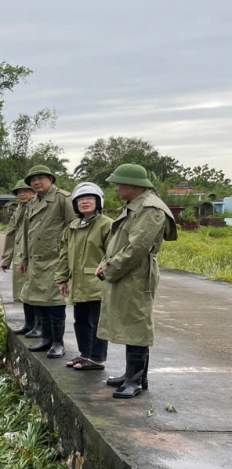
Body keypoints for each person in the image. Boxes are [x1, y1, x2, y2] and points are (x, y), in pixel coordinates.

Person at [96, 163, 177, 399]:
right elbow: (118, 240)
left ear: (134, 185)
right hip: (127, 271)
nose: (116, 188)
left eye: (119, 183)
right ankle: (132, 375)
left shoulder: (151, 209)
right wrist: (105, 262)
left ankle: (136, 380)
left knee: (137, 323)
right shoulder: (136, 205)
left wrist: (109, 268)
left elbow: (137, 248)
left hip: (136, 273)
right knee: (128, 321)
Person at [54, 182, 112, 370]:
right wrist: (62, 278)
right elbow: (64, 254)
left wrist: (105, 271)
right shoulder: (72, 226)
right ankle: (85, 354)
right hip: (78, 283)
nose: (85, 202)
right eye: (80, 199)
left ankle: (97, 359)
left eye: (89, 198)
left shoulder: (107, 225)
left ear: (99, 201)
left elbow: (112, 253)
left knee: (96, 323)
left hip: (97, 283)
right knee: (80, 321)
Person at [19, 165, 75, 358]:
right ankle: (46, 339)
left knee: (55, 302)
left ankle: (58, 343)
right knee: (39, 300)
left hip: (56, 260)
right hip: (36, 261)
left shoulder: (63, 199)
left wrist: (71, 260)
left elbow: (74, 228)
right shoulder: (32, 202)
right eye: (33, 179)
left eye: (41, 178)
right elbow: (28, 234)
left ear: (51, 179)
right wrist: (24, 258)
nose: (36, 182)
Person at [1, 180, 38, 334]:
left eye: (26, 190)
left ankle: (39, 326)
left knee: (36, 293)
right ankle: (29, 324)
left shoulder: (38, 207)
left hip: (35, 256)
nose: (22, 194)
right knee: (23, 293)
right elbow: (11, 235)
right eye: (19, 191)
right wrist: (6, 259)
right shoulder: (18, 210)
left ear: (34, 191)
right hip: (20, 256)